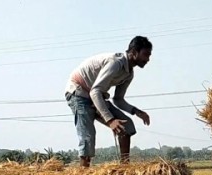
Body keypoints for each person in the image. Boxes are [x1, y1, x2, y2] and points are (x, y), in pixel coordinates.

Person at [65, 36, 152, 167]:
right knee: (88, 137)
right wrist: (110, 120)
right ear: (134, 52)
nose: (147, 59)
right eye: (145, 55)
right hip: (79, 92)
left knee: (126, 126)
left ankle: (124, 168)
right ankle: (82, 174)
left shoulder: (129, 73)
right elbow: (95, 91)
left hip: (96, 96)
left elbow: (118, 99)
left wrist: (136, 112)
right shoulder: (115, 63)